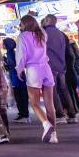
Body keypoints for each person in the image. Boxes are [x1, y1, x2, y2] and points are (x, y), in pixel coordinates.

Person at [16, 14, 58, 143]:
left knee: (34, 103)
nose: (20, 27)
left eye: (21, 24)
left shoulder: (23, 36)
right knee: (50, 104)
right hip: (46, 68)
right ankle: (54, 135)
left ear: (25, 25)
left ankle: (46, 124)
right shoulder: (42, 34)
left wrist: (19, 69)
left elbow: (22, 55)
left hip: (33, 69)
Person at [41, 15, 77, 124]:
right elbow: (69, 53)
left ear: (47, 21)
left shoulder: (43, 33)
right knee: (64, 90)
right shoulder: (62, 34)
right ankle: (72, 114)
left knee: (53, 91)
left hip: (49, 66)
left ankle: (60, 115)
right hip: (61, 66)